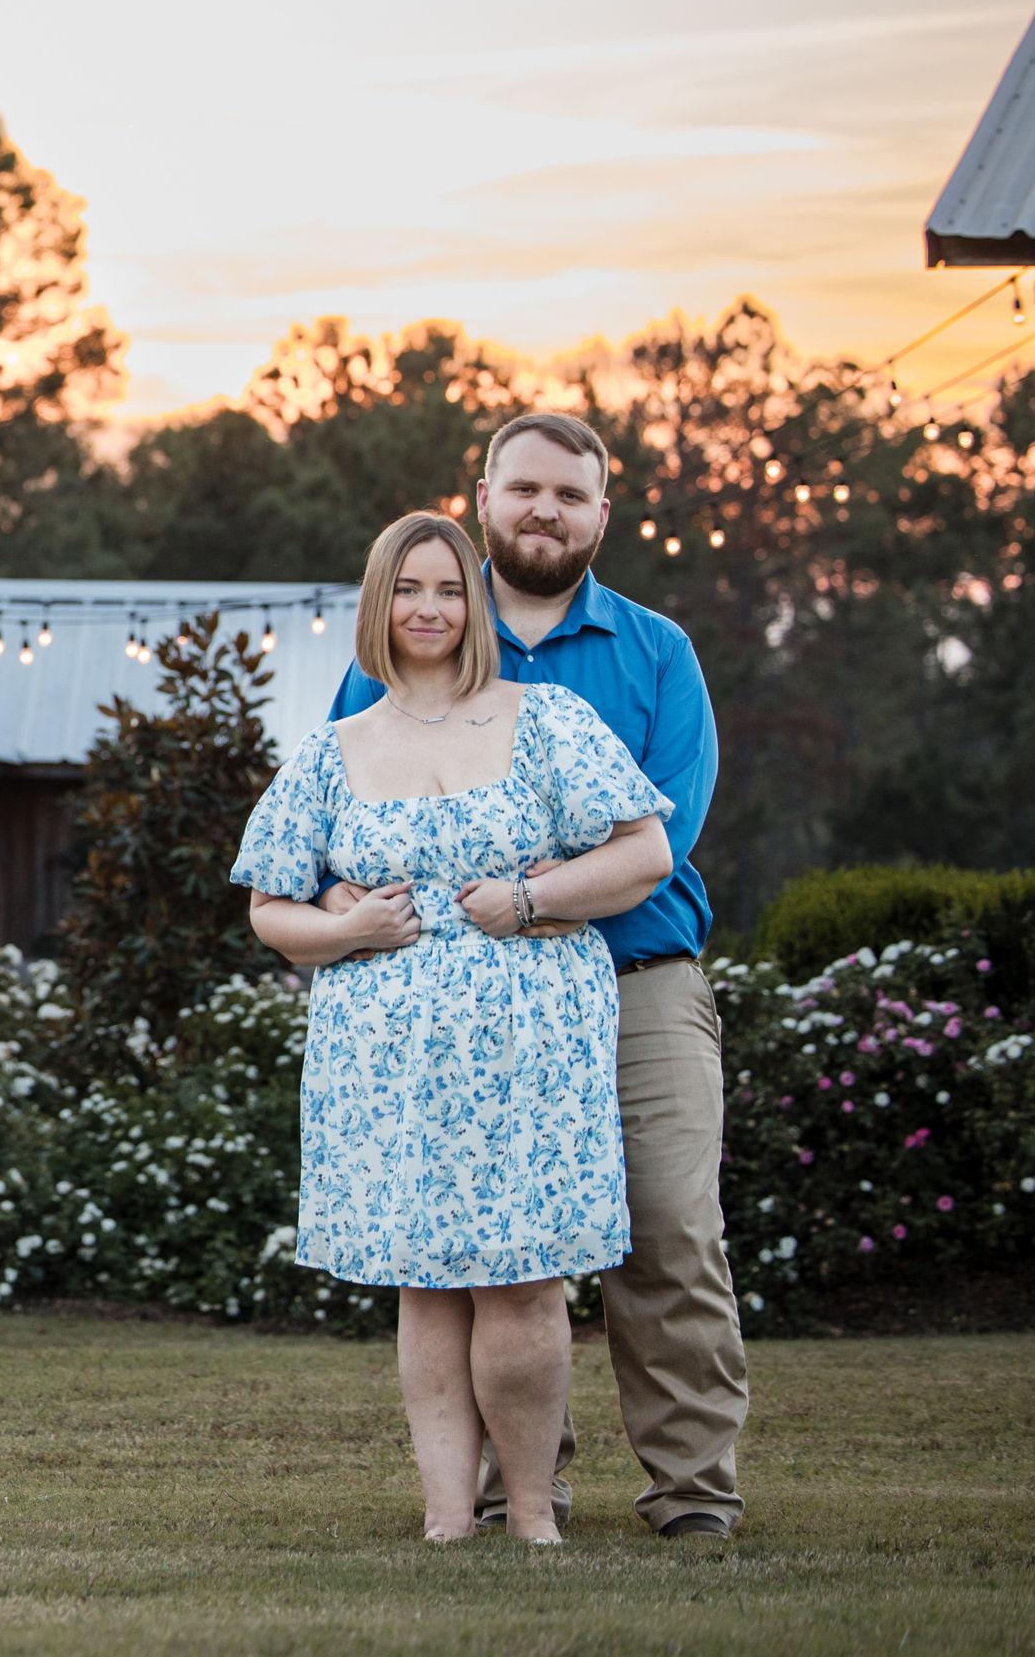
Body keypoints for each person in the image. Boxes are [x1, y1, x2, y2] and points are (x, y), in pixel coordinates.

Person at [320, 412, 748, 1539]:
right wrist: (351, 906)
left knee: (668, 1227)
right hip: (462, 1005)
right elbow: (341, 815)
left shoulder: (655, 650)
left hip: (636, 974)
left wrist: (525, 898)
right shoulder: (418, 634)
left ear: (601, 513)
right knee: (487, 1239)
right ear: (483, 499)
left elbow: (665, 829)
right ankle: (517, 1488)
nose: (544, 511)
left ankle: (691, 1491)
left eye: (569, 494)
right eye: (524, 489)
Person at [231, 508, 674, 1545]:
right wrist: (349, 929)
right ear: (375, 604)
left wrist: (527, 898)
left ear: (474, 604)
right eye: (406, 588)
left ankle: (533, 1512)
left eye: (445, 588)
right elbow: (269, 908)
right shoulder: (333, 749)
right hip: (384, 1060)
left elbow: (644, 853)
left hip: (530, 1046)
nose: (426, 608)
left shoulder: (546, 718)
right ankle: (446, 1515)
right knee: (423, 1287)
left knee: (521, 1279)